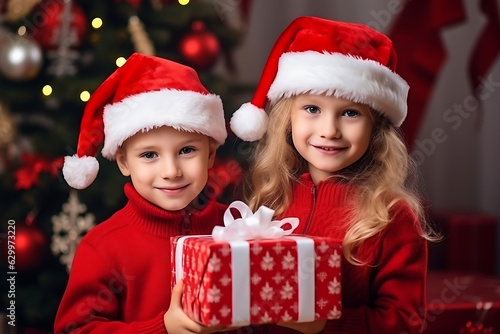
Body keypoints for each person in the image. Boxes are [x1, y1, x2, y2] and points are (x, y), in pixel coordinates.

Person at [230, 16, 437, 333]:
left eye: (350, 113)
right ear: (288, 118)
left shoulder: (391, 216)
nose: (329, 131)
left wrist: (324, 323)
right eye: (312, 109)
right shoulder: (271, 200)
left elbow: (405, 322)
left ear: (376, 128)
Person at [55, 53, 233, 334]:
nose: (171, 171)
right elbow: (76, 329)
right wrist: (162, 328)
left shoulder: (237, 228)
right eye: (150, 155)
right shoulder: (102, 247)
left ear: (210, 154)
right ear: (124, 162)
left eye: (187, 150)